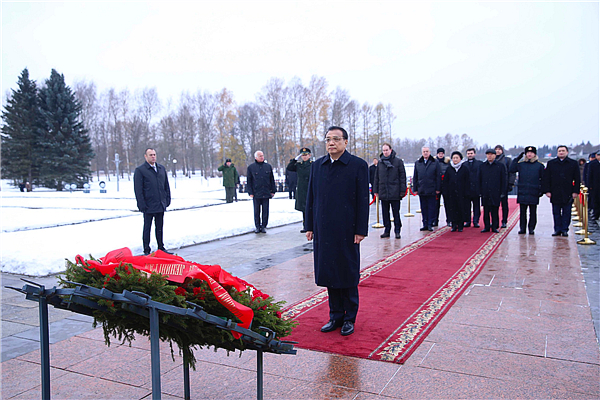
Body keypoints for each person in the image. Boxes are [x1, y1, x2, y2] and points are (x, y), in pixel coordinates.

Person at [305, 126, 369, 337]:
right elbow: (311, 198)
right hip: (324, 230)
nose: (331, 143)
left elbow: (362, 201)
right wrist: (310, 225)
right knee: (330, 273)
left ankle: (349, 317)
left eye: (335, 139)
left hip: (348, 230)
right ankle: (335, 316)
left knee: (347, 273)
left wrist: (360, 230)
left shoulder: (358, 166)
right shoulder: (318, 166)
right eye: (328, 139)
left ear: (345, 142)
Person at [134, 148, 172, 255]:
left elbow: (166, 186)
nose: (153, 157)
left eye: (154, 154)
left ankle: (161, 247)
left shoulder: (161, 168)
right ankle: (147, 249)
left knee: (159, 227)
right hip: (148, 205)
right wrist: (141, 204)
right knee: (147, 227)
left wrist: (167, 199)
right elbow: (138, 189)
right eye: (150, 155)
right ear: (146, 156)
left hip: (160, 204)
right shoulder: (140, 170)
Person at [542, 145, 580, 236]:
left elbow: (577, 178)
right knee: (556, 212)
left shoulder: (573, 163)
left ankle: (564, 229)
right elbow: (546, 178)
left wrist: (576, 191)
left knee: (567, 212)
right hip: (555, 191)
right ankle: (557, 229)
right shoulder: (551, 163)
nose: (561, 152)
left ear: (567, 152)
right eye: (559, 151)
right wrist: (547, 191)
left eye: (563, 151)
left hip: (568, 191)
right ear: (557, 152)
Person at [373, 142, 407, 239]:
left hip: (395, 191)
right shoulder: (380, 163)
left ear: (390, 150)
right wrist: (376, 190)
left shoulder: (398, 162)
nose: (385, 152)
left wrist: (402, 190)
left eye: (387, 150)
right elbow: (377, 177)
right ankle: (387, 230)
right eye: (383, 150)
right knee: (385, 213)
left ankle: (397, 230)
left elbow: (402, 177)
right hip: (383, 191)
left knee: (396, 212)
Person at [509, 146, 545, 235]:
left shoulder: (539, 165)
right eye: (527, 153)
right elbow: (511, 169)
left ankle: (531, 228)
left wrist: (542, 190)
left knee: (533, 212)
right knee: (522, 212)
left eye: (531, 153)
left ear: (534, 154)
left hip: (534, 191)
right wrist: (516, 159)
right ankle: (522, 228)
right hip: (523, 191)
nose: (529, 154)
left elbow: (543, 179)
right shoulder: (521, 164)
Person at [412, 146, 442, 231]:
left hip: (431, 189)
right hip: (422, 189)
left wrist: (438, 188)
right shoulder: (418, 163)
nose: (425, 153)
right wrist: (415, 189)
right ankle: (424, 223)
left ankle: (430, 224)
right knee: (423, 207)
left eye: (427, 151)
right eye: (424, 151)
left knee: (431, 207)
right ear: (422, 153)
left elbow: (438, 176)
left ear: (430, 152)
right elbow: (415, 176)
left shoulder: (435, 162)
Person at [247, 150, 276, 233]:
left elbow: (271, 179)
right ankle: (257, 226)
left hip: (266, 192)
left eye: (262, 155)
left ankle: (263, 226)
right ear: (256, 157)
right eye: (260, 156)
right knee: (256, 211)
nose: (262, 157)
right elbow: (249, 181)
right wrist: (250, 192)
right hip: (256, 193)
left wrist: (273, 190)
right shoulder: (251, 167)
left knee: (265, 210)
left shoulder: (268, 167)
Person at [479, 149, 507, 233]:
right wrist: (480, 190)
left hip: (496, 191)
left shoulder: (500, 166)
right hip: (485, 191)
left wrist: (503, 191)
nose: (489, 156)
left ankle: (495, 226)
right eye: (488, 154)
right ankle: (486, 226)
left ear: (495, 155)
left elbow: (504, 179)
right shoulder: (482, 166)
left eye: (491, 154)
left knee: (495, 210)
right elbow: (479, 179)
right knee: (486, 210)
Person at [441, 151, 470, 232]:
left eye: (457, 158)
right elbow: (445, 181)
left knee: (461, 208)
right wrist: (445, 191)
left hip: (462, 193)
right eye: (454, 158)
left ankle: (460, 225)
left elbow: (467, 181)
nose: (455, 159)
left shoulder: (464, 169)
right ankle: (454, 224)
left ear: (460, 159)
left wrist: (467, 192)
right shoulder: (449, 169)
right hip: (451, 193)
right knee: (452, 209)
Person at [286, 147, 313, 232]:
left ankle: (313, 226)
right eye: (303, 155)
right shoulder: (299, 165)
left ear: (309, 155)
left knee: (312, 208)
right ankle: (306, 226)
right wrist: (294, 160)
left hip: (310, 188)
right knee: (304, 209)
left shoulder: (313, 164)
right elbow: (289, 168)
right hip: (301, 189)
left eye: (306, 155)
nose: (304, 157)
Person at [494, 145, 516, 228]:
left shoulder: (507, 160)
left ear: (502, 151)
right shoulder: (493, 160)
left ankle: (504, 221)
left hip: (504, 185)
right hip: (494, 187)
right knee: (494, 206)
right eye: (496, 149)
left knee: (504, 205)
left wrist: (510, 183)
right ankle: (495, 221)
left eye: (499, 149)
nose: (498, 151)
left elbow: (512, 172)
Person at [464, 148, 483, 228]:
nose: (470, 155)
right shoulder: (464, 164)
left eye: (471, 153)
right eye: (468, 153)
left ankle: (476, 221)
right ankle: (467, 221)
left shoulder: (479, 164)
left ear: (474, 154)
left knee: (476, 206)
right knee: (466, 206)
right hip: (467, 189)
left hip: (476, 188)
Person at [434, 148, 450, 227]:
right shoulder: (433, 162)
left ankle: (449, 220)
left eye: (442, 153)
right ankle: (435, 220)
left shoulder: (447, 162)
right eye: (439, 153)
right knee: (435, 204)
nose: (440, 155)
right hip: (436, 186)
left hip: (446, 186)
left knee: (448, 204)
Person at [585, 152, 600, 221]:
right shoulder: (592, 164)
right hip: (595, 185)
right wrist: (589, 185)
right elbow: (589, 175)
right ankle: (595, 214)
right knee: (595, 200)